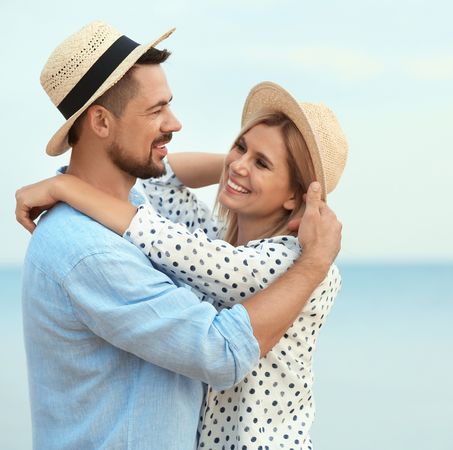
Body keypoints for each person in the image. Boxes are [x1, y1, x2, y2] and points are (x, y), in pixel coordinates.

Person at [15, 22, 341, 450]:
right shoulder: (88, 249)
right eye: (156, 110)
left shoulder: (140, 206)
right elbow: (221, 351)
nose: (176, 122)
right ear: (100, 121)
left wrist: (268, 173)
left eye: (170, 106)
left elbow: (162, 184)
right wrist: (263, 178)